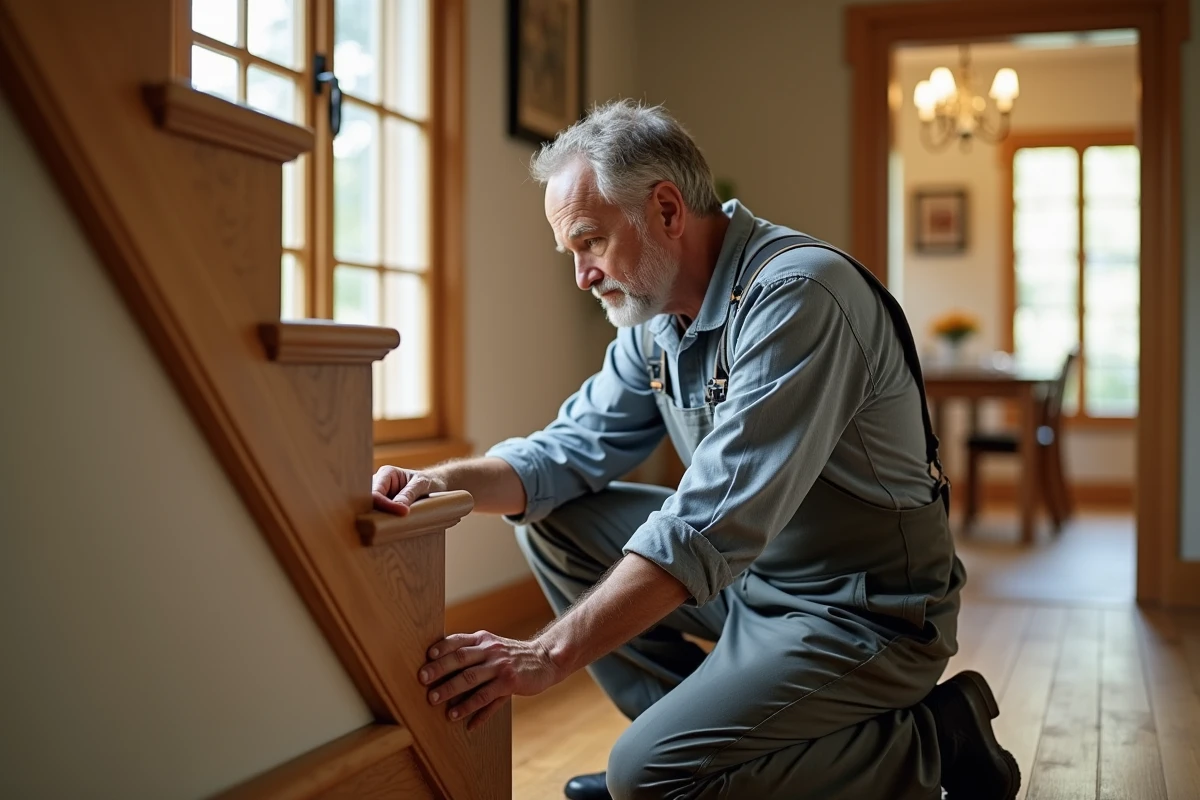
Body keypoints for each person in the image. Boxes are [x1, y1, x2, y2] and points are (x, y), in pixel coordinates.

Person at [371, 100, 1019, 800]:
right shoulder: (656, 323)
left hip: (862, 608)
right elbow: (563, 455)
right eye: (573, 253)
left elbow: (708, 524)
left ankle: (929, 743)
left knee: (642, 777)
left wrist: (545, 654)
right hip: (754, 581)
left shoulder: (799, 297)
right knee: (554, 520)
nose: (582, 274)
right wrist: (441, 482)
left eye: (590, 242)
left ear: (668, 211)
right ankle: (703, 750)